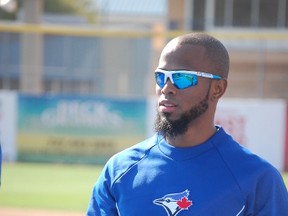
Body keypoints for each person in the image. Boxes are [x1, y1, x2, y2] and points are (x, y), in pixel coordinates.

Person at [86, 32, 288, 215]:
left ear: (217, 88)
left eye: (182, 78)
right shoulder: (119, 170)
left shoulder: (259, 179)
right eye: (161, 77)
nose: (167, 88)